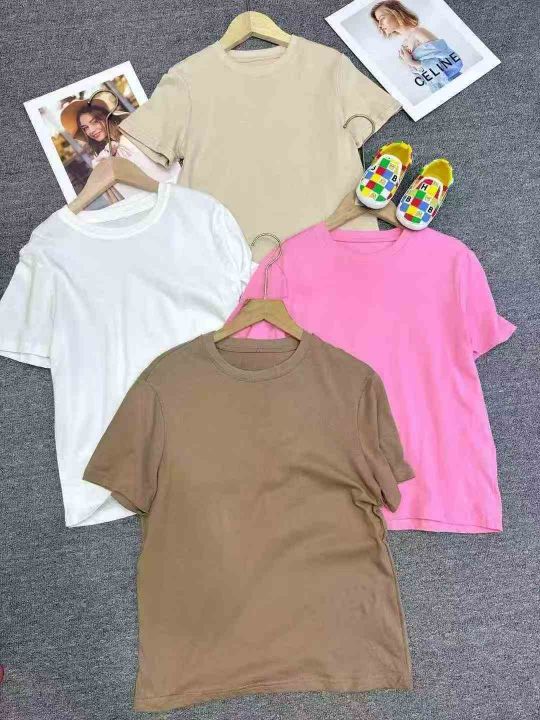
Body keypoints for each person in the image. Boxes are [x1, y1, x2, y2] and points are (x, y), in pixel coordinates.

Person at [60, 97, 180, 199]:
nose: (91, 130)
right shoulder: (105, 153)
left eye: (95, 121)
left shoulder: (130, 137)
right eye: (85, 128)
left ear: (105, 117)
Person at [370, 0, 463, 93]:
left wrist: (413, 63)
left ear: (396, 13)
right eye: (378, 21)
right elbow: (425, 80)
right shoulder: (403, 46)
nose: (380, 25)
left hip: (456, 86)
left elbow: (454, 61)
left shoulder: (419, 33)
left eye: (382, 18)